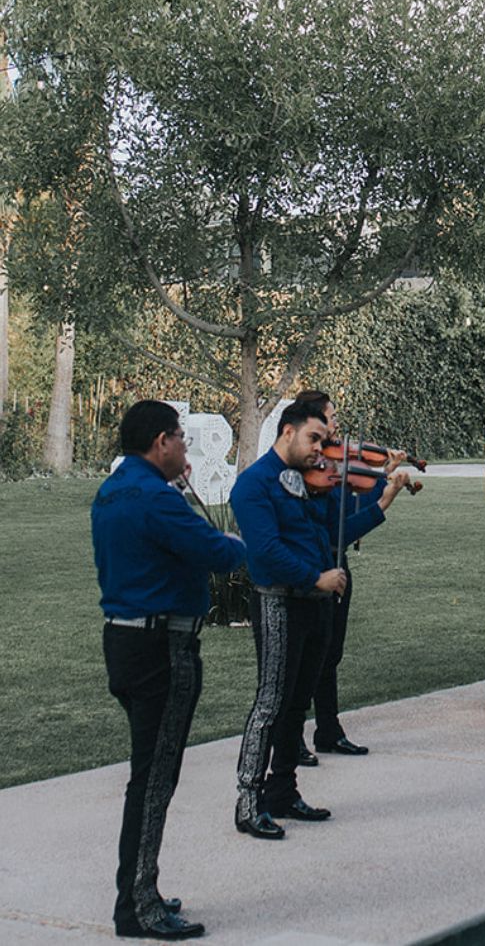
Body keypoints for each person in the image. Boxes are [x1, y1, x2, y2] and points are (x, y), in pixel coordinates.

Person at [92, 400, 246, 941]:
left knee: (148, 775)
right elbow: (219, 554)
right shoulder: (157, 499)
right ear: (161, 441)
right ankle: (136, 904)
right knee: (154, 780)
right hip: (163, 648)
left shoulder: (113, 490)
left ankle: (141, 891)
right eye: (181, 438)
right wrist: (231, 542)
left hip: (125, 639)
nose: (185, 447)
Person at [231, 399, 409, 839]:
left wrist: (383, 503)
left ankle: (282, 791)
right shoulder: (254, 484)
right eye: (314, 438)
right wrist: (316, 576)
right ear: (287, 432)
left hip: (318, 603)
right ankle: (248, 800)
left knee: (297, 703)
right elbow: (265, 551)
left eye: (325, 440)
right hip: (279, 601)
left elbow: (333, 534)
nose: (321, 449)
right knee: (270, 703)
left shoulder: (314, 483)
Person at [292, 389, 405, 766]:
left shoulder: (332, 465)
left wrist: (380, 479)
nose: (337, 424)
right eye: (331, 417)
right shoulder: (307, 472)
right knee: (306, 661)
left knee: (330, 655)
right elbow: (338, 528)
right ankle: (293, 737)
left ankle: (328, 729)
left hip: (337, 568)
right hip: (316, 571)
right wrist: (384, 499)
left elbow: (350, 507)